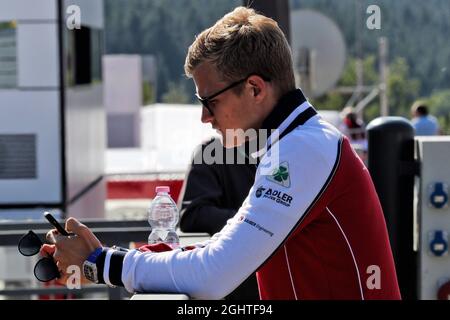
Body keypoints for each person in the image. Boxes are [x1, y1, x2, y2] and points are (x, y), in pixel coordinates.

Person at [42, 7, 401, 300]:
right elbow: (219, 253)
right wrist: (106, 256)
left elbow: (213, 275)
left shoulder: (303, 150)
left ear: (255, 88)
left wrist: (100, 263)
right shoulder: (299, 142)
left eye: (210, 101)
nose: (204, 117)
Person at [178, 137, 259, 300]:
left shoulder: (288, 147)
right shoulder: (212, 151)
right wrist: (253, 223)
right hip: (241, 286)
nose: (206, 119)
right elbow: (193, 215)